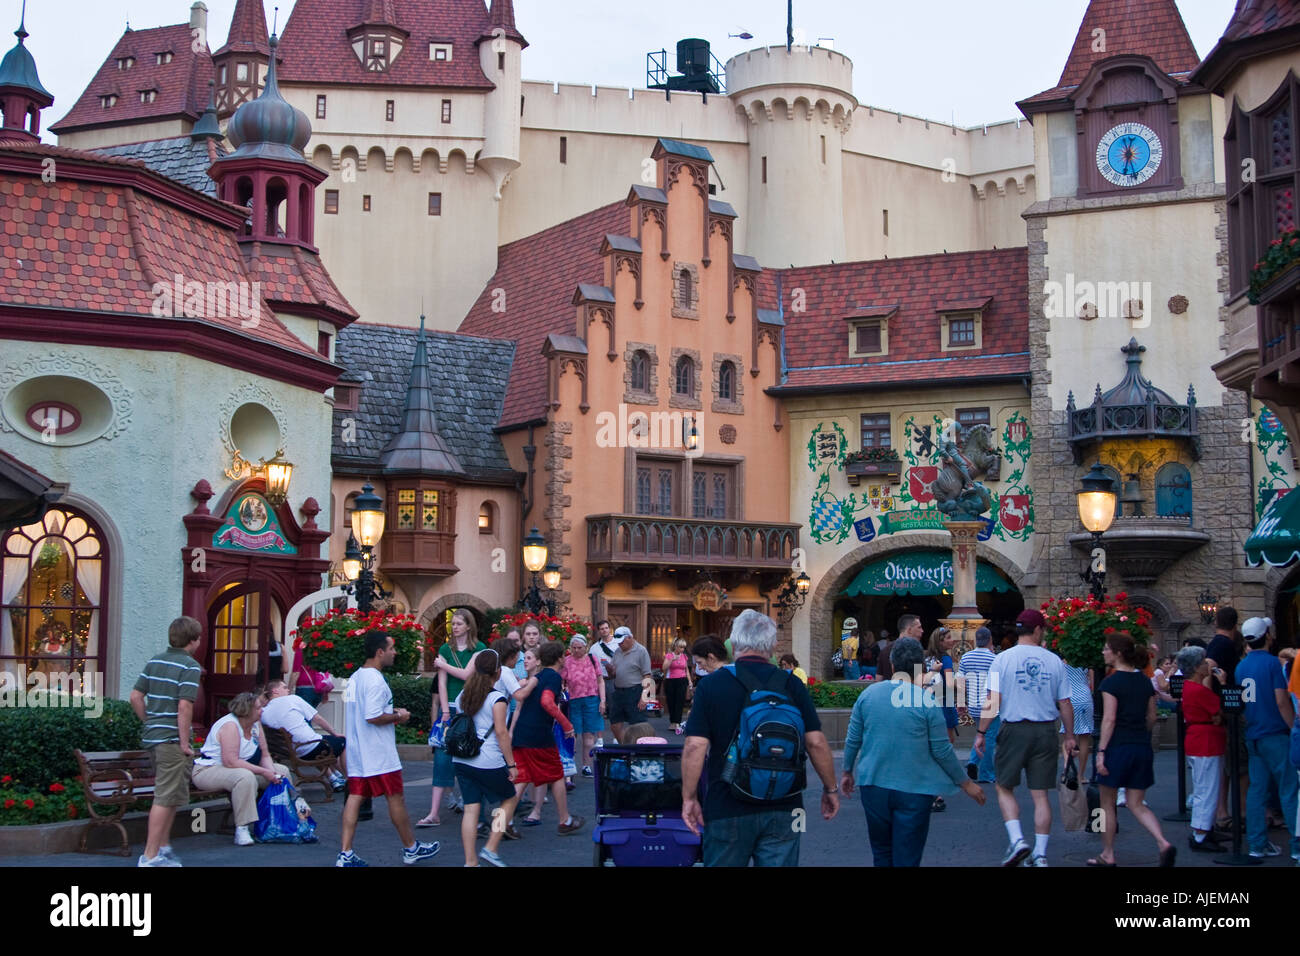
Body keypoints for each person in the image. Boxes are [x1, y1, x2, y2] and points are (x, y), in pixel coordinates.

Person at [681, 609, 840, 867]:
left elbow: (695, 746)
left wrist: (689, 798)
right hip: (785, 803)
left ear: (734, 644)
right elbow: (816, 742)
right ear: (774, 645)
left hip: (727, 803)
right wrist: (830, 789)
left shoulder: (711, 685)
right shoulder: (791, 684)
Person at [841, 637, 986, 866]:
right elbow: (942, 750)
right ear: (921, 666)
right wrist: (965, 783)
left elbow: (853, 738)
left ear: (892, 665)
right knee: (907, 857)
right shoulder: (927, 701)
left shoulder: (868, 695)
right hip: (915, 790)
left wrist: (847, 770)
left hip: (873, 785)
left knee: (881, 854)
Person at [975, 608, 1075, 868]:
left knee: (1004, 786)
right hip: (1045, 730)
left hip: (1014, 728)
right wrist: (1070, 736)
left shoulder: (1002, 659)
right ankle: (1040, 854)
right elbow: (1065, 702)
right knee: (1040, 794)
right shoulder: (1054, 661)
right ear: (1039, 630)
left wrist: (981, 732)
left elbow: (992, 700)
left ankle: (1017, 839)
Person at [336, 630, 439, 867]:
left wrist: (392, 710)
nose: (395, 653)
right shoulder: (374, 680)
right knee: (395, 798)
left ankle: (346, 852)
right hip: (379, 754)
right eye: (391, 648)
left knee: (355, 796)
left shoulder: (356, 678)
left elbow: (363, 711)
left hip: (359, 752)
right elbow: (372, 716)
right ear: (380, 652)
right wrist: (398, 716)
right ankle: (410, 848)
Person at [1086, 632, 1176, 867]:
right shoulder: (1144, 681)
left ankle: (1108, 853)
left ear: (1117, 654)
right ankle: (1162, 842)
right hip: (1141, 747)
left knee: (1107, 803)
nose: (1103, 652)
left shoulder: (1111, 683)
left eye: (1107, 648)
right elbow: (1151, 717)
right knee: (1136, 803)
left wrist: (1102, 752)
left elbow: (1109, 719)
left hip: (1117, 747)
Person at [129, 616, 203, 866]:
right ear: (193, 641)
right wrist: (184, 743)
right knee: (164, 796)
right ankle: (150, 856)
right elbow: (184, 707)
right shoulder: (189, 666)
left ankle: (163, 847)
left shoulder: (155, 660)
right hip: (171, 740)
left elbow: (136, 697)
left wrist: (148, 721)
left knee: (171, 795)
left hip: (154, 737)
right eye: (199, 638)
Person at [1234, 617, 1299, 860]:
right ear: (1268, 636)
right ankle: (1297, 847)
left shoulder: (1241, 667)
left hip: (1254, 733)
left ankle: (1257, 844)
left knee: (1256, 791)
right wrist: (1293, 728)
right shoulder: (1272, 664)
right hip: (1276, 733)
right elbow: (1281, 701)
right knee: (1289, 790)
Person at [191, 691, 292, 846]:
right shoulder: (230, 726)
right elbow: (231, 762)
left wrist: (272, 772)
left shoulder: (256, 724)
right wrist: (265, 772)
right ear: (247, 711)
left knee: (282, 771)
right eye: (258, 708)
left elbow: (264, 755)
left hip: (239, 767)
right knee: (244, 777)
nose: (262, 711)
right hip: (209, 770)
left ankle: (283, 819)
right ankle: (242, 829)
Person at [452, 649, 522, 867]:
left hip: (462, 760)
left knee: (471, 809)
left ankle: (470, 861)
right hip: (488, 760)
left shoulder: (463, 695)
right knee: (509, 798)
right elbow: (502, 734)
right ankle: (492, 846)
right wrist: (511, 764)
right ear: (498, 673)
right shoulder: (497, 699)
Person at [421, 609, 486, 827]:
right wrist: (445, 711)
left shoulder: (479, 649)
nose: (455, 627)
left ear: (469, 626)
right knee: (442, 759)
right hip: (449, 709)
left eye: (459, 623)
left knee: (470, 756)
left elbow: (467, 674)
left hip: (469, 707)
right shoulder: (445, 648)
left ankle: (473, 808)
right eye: (454, 623)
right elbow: (442, 682)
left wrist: (443, 664)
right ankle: (433, 812)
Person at [512, 641, 584, 833]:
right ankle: (564, 820)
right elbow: (547, 702)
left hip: (522, 732)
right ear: (560, 658)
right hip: (539, 735)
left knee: (521, 778)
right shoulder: (553, 676)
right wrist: (566, 724)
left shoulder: (540, 675)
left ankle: (502, 824)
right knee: (557, 774)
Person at [1176, 645, 1226, 851]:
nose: (1207, 665)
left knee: (1203, 786)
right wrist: (1222, 684)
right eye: (1204, 663)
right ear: (1197, 667)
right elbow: (1218, 713)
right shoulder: (1198, 690)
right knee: (1208, 788)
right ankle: (1201, 833)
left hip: (1199, 739)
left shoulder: (1189, 687)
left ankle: (1204, 828)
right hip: (1206, 741)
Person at [261, 679, 347, 786]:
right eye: (284, 687)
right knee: (342, 741)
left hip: (293, 751)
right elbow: (318, 719)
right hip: (310, 747)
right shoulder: (292, 699)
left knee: (318, 742)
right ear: (275, 691)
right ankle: (349, 778)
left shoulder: (264, 712)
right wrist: (334, 733)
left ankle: (334, 777)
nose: (288, 689)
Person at [560, 635, 606, 774]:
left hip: (592, 699)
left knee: (589, 735)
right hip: (573, 701)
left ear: (585, 647)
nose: (576, 650)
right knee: (572, 734)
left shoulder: (592, 659)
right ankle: (570, 764)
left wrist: (603, 700)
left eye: (579, 648)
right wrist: (564, 690)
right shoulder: (567, 661)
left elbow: (600, 681)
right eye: (573, 648)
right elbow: (561, 681)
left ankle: (587, 765)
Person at [958, 626, 998, 783]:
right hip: (990, 704)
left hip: (974, 703)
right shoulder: (994, 659)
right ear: (990, 640)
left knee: (980, 733)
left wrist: (961, 702)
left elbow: (961, 682)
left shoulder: (966, 658)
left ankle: (973, 762)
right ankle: (986, 773)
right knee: (989, 737)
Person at [608, 626, 653, 743]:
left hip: (634, 691)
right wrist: (609, 670)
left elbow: (647, 675)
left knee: (637, 725)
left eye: (621, 642)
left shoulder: (641, 651)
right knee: (614, 724)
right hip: (618, 691)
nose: (619, 644)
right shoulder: (617, 651)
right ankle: (626, 747)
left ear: (629, 638)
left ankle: (638, 751)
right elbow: (613, 674)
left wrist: (644, 697)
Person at [1062, 661, 1094, 796]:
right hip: (1085, 696)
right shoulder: (1086, 663)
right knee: (1084, 737)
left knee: (1068, 735)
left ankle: (1066, 770)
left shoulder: (1062, 663)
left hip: (1069, 698)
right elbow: (1092, 682)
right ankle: (1080, 774)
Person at [661, 638, 692, 734]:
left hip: (682, 680)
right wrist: (671, 660)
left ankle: (677, 722)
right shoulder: (669, 655)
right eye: (681, 647)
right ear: (676, 647)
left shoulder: (684, 656)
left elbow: (686, 669)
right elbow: (664, 668)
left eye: (684, 647)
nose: (682, 649)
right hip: (670, 680)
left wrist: (690, 681)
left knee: (680, 701)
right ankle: (672, 722)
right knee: (671, 701)